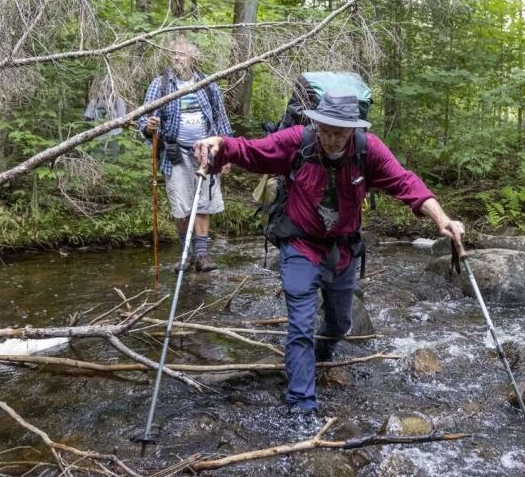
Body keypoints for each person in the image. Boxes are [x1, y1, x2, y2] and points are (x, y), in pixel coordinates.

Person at [194, 91, 465, 415]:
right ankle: (301, 406)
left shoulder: (368, 150)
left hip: (343, 253)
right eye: (325, 130)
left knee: (338, 325)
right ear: (316, 123)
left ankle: (320, 355)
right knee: (300, 326)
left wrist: (442, 218)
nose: (331, 139)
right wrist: (219, 145)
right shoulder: (298, 141)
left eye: (340, 132)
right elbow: (252, 152)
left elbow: (406, 184)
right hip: (300, 247)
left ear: (354, 129)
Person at [138, 37, 233, 272]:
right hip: (175, 154)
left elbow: (221, 120)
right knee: (181, 205)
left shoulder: (208, 84)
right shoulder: (159, 85)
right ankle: (185, 255)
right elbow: (144, 118)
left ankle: (202, 256)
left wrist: (227, 155)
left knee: (203, 204)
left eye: (181, 53)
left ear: (193, 57)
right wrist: (148, 126)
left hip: (205, 153)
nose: (176, 58)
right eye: (173, 53)